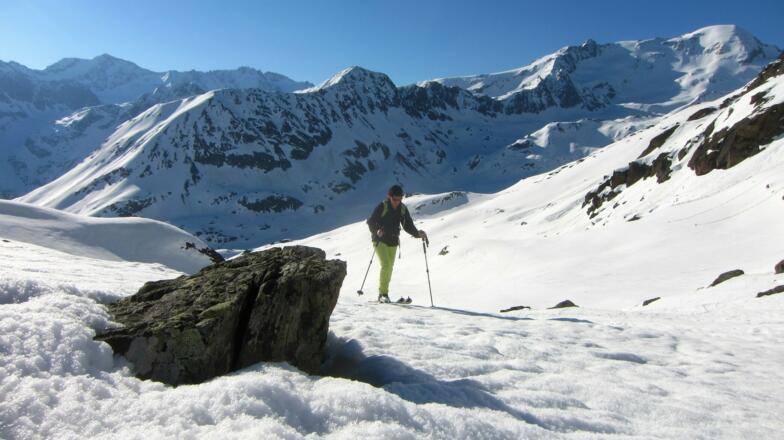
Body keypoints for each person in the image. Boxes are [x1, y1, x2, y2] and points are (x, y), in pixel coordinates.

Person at [366, 184, 428, 303]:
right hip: (380, 239)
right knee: (386, 265)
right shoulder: (382, 206)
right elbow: (371, 222)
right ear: (389, 197)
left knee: (389, 268)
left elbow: (408, 225)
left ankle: (385, 293)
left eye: (400, 199)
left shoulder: (402, 209)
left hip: (393, 241)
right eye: (395, 199)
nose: (397, 202)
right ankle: (382, 294)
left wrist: (417, 234)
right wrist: (376, 230)